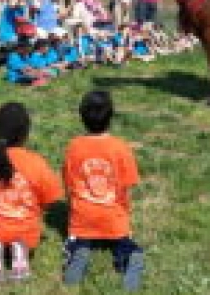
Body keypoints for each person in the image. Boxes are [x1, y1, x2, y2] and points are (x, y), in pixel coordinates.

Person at [0, 102, 62, 282]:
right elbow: (51, 198)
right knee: (22, 231)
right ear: (26, 133)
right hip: (26, 230)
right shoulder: (36, 162)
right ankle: (19, 253)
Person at [62, 91, 144, 291]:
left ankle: (78, 252)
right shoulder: (121, 147)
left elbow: (69, 184)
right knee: (122, 240)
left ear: (81, 117)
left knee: (78, 241)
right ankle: (129, 254)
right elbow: (127, 186)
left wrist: (72, 209)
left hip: (83, 219)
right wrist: (124, 217)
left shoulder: (74, 146)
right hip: (113, 217)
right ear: (111, 117)